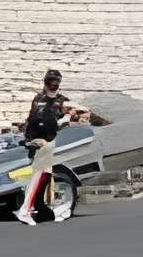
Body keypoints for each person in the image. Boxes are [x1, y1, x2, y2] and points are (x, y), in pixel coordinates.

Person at [14, 67, 88, 226]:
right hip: (38, 142)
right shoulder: (38, 99)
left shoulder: (62, 101)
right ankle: (28, 208)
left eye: (55, 81)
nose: (52, 84)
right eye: (50, 81)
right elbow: (31, 119)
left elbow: (79, 113)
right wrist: (27, 139)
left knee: (44, 176)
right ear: (46, 82)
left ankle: (35, 207)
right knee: (40, 175)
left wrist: (70, 115)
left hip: (51, 141)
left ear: (59, 83)